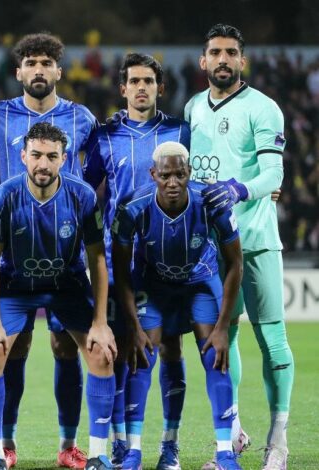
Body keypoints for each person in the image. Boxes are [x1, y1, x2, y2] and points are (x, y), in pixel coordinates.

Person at [0, 33, 98, 469]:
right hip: (14, 257)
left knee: (66, 347)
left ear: (59, 71)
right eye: (31, 63)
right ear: (19, 71)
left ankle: (69, 445)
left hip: (66, 257)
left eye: (47, 62)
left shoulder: (82, 118)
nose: (39, 70)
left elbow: (97, 167)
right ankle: (5, 444)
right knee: (15, 347)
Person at [185, 23, 294, 470]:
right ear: (203, 61)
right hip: (211, 249)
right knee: (220, 340)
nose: (223, 59)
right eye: (216, 52)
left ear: (242, 61)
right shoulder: (193, 107)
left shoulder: (264, 108)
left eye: (231, 52)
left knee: (272, 340)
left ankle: (278, 442)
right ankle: (230, 437)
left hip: (255, 242)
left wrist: (240, 188)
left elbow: (274, 175)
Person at [83, 53, 191, 469]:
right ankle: (121, 443)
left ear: (160, 88)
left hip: (168, 260)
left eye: (148, 81)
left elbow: (195, 185)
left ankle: (170, 444)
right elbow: (85, 190)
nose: (141, 87)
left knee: (171, 347)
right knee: (119, 349)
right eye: (134, 81)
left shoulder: (180, 131)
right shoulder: (105, 135)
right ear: (123, 88)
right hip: (119, 262)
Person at [111, 141, 243, 470]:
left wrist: (223, 327)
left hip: (200, 282)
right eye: (165, 175)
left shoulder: (211, 202)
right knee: (142, 357)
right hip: (153, 286)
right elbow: (121, 271)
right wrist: (133, 326)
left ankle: (223, 452)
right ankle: (134, 452)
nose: (173, 182)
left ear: (189, 173)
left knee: (216, 357)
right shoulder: (132, 207)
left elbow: (235, 263)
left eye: (180, 175)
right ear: (153, 174)